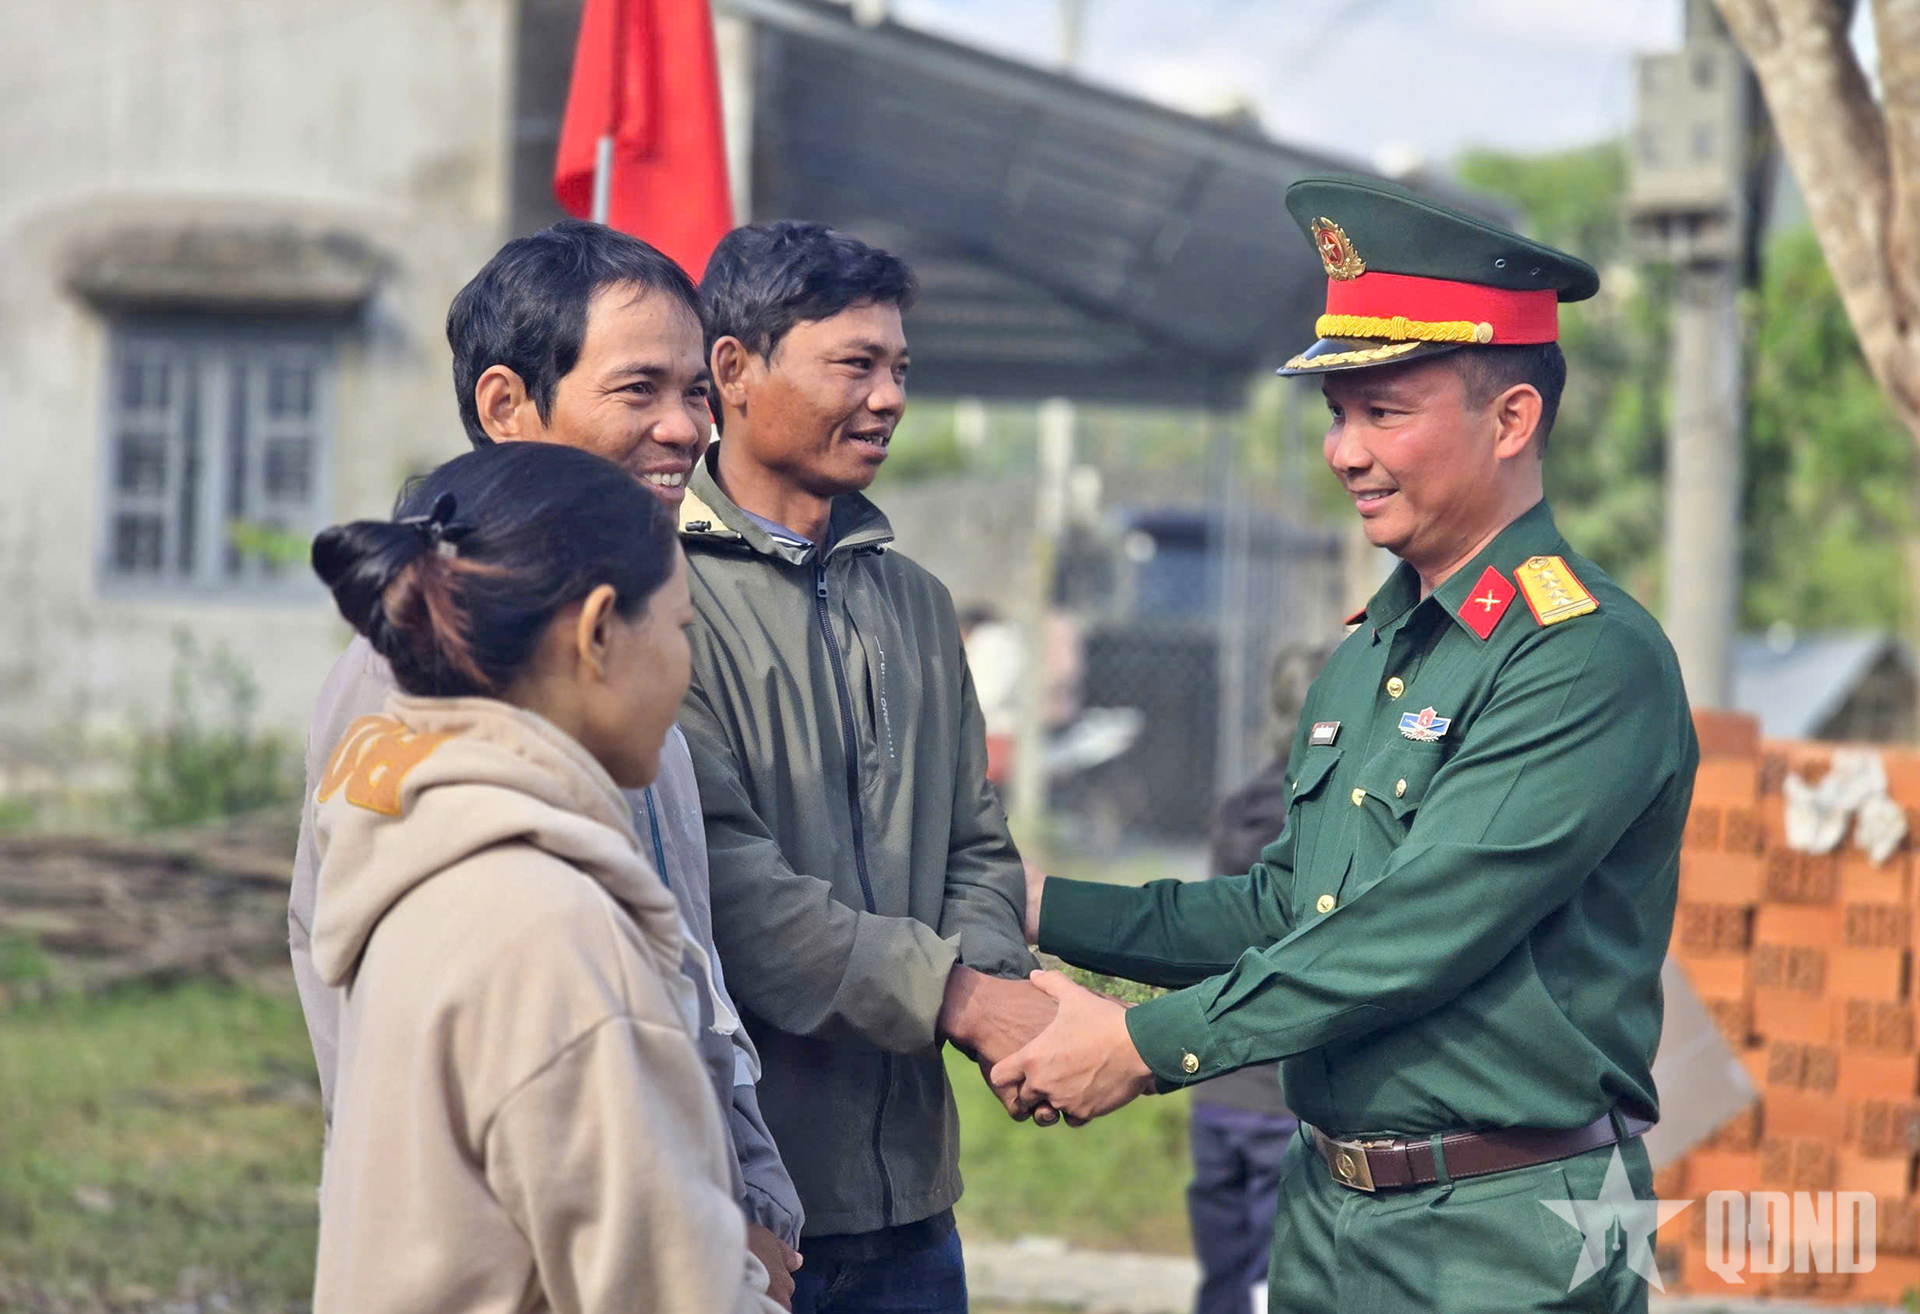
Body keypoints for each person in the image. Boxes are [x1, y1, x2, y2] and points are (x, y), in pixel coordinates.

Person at [995, 175, 1698, 1314]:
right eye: (1337, 413)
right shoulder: (1379, 644)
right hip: (1329, 1210)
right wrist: (1040, 904)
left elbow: (1411, 931)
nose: (1344, 452)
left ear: (1512, 418)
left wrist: (1142, 1044)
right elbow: (1292, 908)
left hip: (1508, 1237)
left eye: (1386, 411)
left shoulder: (1582, 656)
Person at [285, 221, 805, 1304]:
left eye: (696, 390)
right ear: (506, 408)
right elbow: (367, 1024)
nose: (684, 427)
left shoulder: (605, 709)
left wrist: (741, 1194)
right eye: (638, 389)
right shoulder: (421, 685)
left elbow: (689, 969)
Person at [677, 221, 1052, 1314]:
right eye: (855, 364)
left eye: (899, 369)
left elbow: (976, 842)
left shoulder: (920, 606)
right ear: (735, 371)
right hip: (748, 1193)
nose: (888, 397)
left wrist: (993, 995)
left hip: (912, 1207)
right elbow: (733, 892)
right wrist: (961, 999)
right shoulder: (658, 597)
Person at [1185, 646, 1326, 1314]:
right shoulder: (1323, 823)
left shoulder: (1238, 807)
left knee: (1224, 1280)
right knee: (1279, 1286)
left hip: (1216, 1090)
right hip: (1285, 1099)